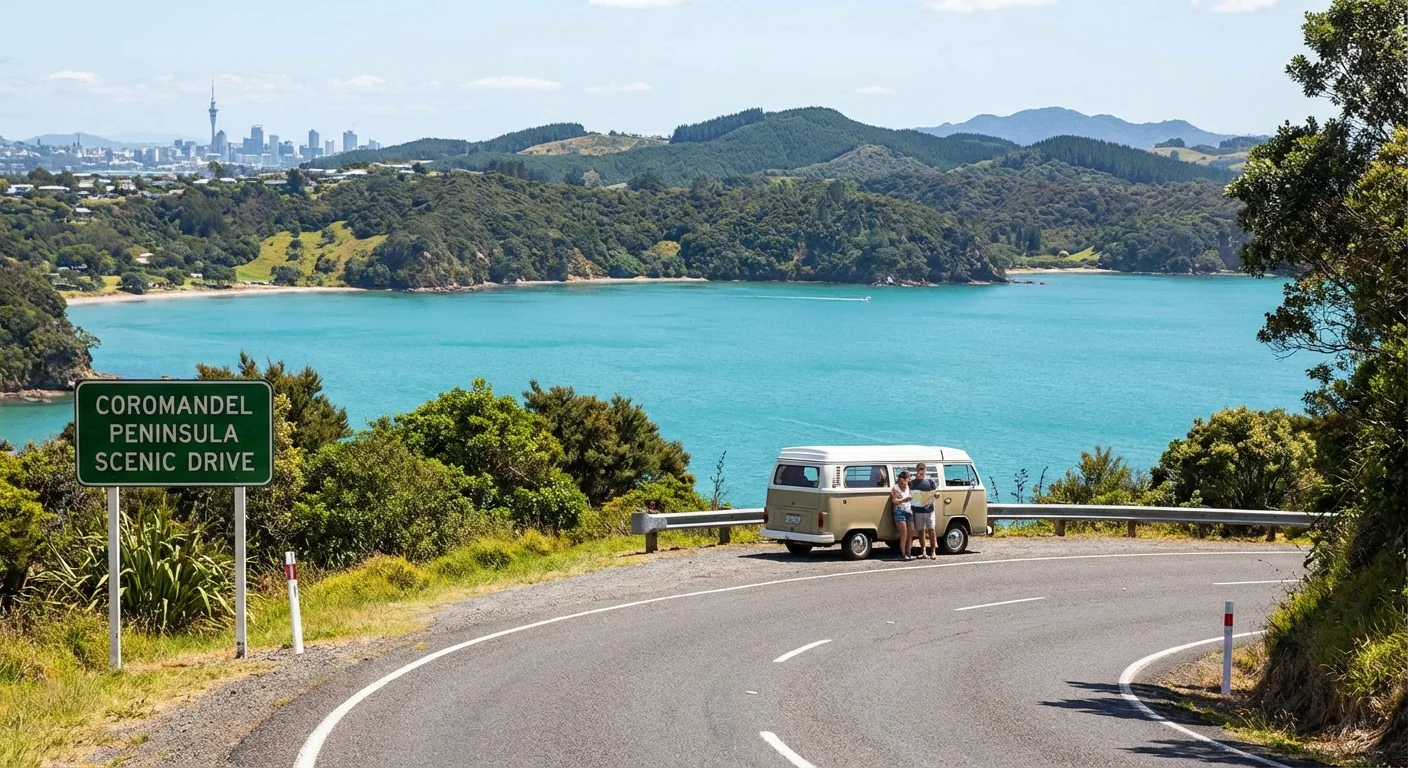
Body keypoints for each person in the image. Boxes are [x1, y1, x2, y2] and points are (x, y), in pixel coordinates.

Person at [910, 462, 940, 559]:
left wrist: (936, 495)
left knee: (931, 530)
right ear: (916, 470)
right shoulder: (913, 483)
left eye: (922, 469)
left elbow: (936, 492)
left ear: (925, 470)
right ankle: (923, 551)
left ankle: (933, 551)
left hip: (929, 510)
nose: (921, 471)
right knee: (920, 531)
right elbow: (910, 494)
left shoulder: (930, 481)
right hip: (918, 510)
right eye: (919, 469)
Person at [891, 470, 914, 561]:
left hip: (908, 510)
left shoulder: (908, 487)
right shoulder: (895, 488)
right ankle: (903, 553)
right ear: (902, 479)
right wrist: (904, 500)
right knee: (904, 533)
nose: (909, 481)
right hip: (899, 511)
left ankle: (909, 553)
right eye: (908, 479)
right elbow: (894, 501)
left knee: (911, 532)